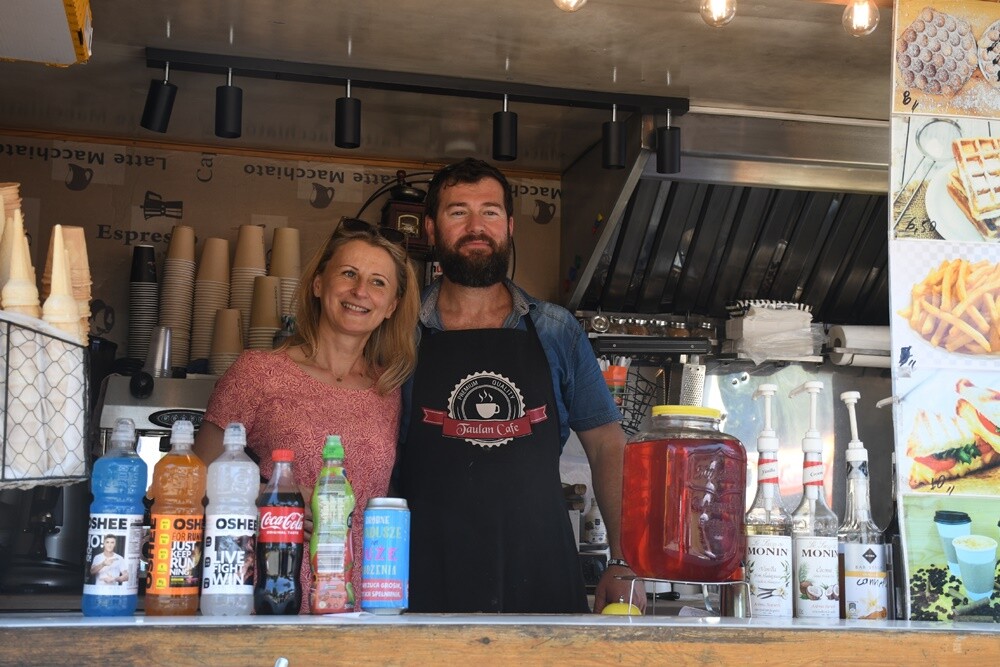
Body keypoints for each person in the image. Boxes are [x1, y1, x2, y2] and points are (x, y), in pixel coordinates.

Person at [395, 158, 642, 614]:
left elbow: (608, 445)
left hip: (541, 574)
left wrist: (622, 560)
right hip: (424, 578)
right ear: (430, 228)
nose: (476, 227)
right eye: (458, 212)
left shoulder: (555, 331)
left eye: (489, 212)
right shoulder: (398, 333)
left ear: (509, 226)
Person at [193, 219, 420, 612]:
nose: (360, 291)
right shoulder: (258, 372)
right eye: (348, 274)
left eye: (378, 282)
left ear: (392, 306)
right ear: (318, 284)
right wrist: (267, 498)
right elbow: (194, 483)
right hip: (271, 598)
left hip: (365, 605)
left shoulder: (391, 389)